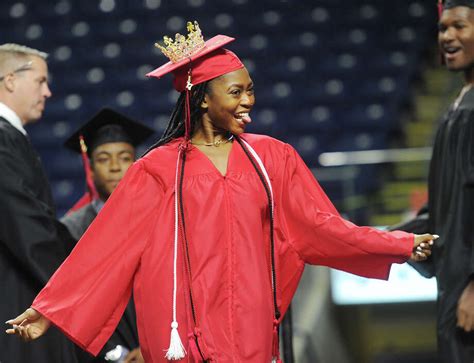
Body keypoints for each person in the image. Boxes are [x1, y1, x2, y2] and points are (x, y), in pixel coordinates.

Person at [6, 23, 437, 363]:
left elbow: (321, 226)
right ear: (203, 97)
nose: (249, 100)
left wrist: (397, 242)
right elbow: (107, 247)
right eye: (236, 91)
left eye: (250, 89)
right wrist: (51, 310)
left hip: (249, 329)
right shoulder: (156, 169)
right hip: (182, 332)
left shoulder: (273, 159)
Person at [390, 1, 474, 361]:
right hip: (455, 281)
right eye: (442, 28)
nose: (447, 36)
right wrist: (392, 239)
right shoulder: (459, 106)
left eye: (459, 26)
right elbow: (446, 204)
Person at [0, 44, 78, 362]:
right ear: (9, 81)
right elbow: (27, 226)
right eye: (39, 81)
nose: (47, 92)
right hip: (17, 306)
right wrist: (77, 286)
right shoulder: (3, 139)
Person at [60, 108, 154, 363]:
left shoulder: (161, 218)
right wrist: (118, 355)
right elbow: (73, 307)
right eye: (103, 159)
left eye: (124, 158)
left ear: (136, 164)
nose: (114, 167)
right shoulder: (72, 230)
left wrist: (154, 347)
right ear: (90, 168)